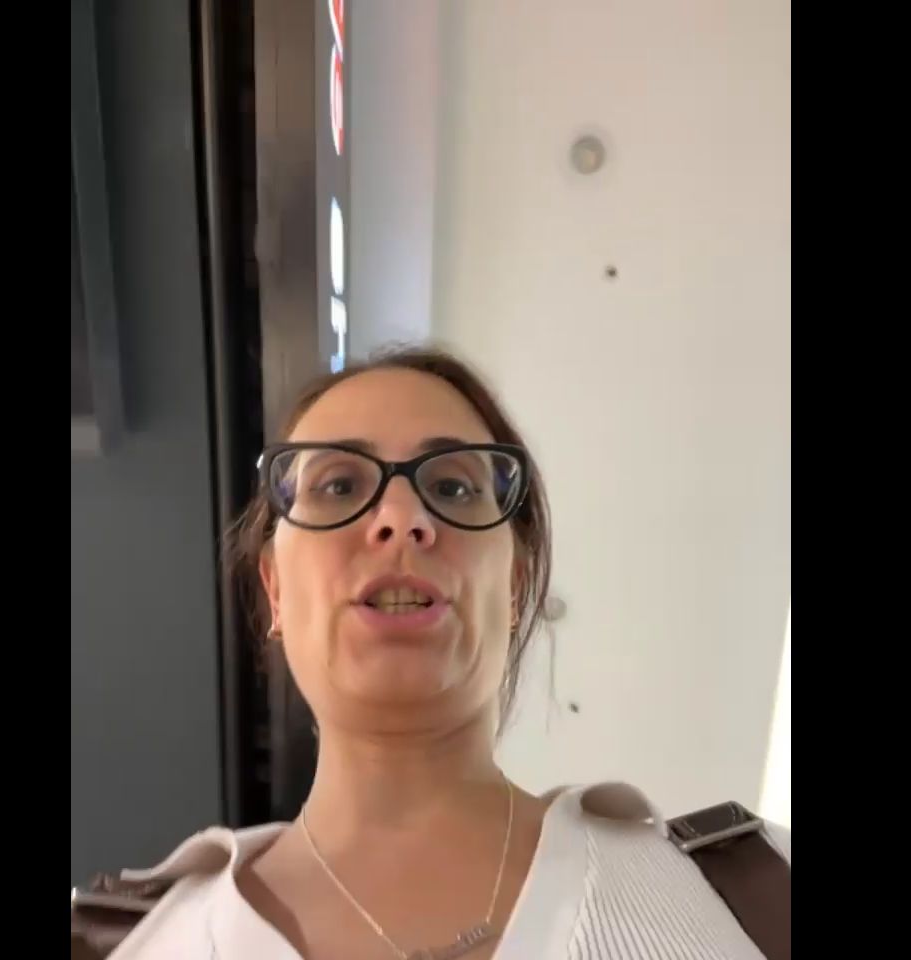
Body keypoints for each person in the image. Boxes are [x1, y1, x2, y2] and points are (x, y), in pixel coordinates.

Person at [74, 346, 790, 960]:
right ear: (276, 591)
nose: (402, 518)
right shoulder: (120, 944)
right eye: (338, 485)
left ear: (515, 586)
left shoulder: (758, 889)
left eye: (452, 487)